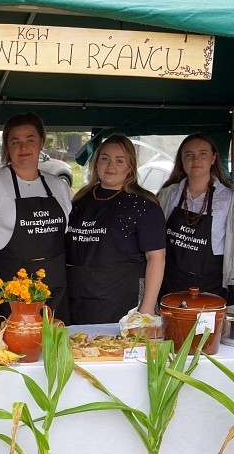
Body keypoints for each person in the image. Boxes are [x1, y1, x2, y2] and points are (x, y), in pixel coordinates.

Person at [0, 112, 72, 322]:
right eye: (15, 141)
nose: (23, 147)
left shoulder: (59, 187)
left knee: (54, 349)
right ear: (7, 147)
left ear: (41, 142)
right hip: (12, 294)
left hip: (54, 290)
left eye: (30, 139)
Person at [65, 134, 166, 324]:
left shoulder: (144, 206)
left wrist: (147, 307)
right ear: (96, 163)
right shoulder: (80, 200)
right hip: (79, 301)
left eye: (119, 161)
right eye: (105, 158)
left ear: (130, 167)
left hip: (124, 305)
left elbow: (156, 259)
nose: (110, 166)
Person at [156, 133, 234, 300]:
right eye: (189, 155)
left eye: (203, 154)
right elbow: (152, 239)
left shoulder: (230, 200)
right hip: (169, 285)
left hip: (211, 288)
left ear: (213, 158)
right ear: (182, 159)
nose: (196, 160)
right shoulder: (167, 195)